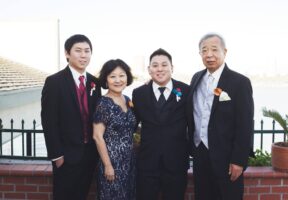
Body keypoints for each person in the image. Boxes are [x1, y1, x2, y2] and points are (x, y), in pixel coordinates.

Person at [187, 33, 254, 200]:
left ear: (225, 51)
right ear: (200, 54)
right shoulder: (196, 78)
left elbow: (245, 124)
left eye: (214, 50)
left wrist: (239, 160)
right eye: (204, 50)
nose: (209, 54)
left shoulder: (240, 82)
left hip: (227, 158)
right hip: (200, 153)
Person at [41, 34, 100, 200]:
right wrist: (57, 156)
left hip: (89, 156)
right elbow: (49, 121)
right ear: (67, 54)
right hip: (66, 157)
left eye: (87, 51)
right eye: (78, 51)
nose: (83, 55)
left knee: (82, 195)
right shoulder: (54, 82)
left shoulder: (95, 83)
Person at [132, 48, 190, 200]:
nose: (160, 69)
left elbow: (193, 122)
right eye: (155, 65)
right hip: (147, 163)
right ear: (149, 69)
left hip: (176, 162)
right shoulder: (138, 93)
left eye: (164, 65)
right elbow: (133, 124)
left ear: (172, 68)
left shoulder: (186, 90)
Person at [93, 59, 136, 200]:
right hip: (112, 164)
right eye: (112, 76)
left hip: (129, 163)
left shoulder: (128, 99)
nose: (118, 80)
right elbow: (97, 137)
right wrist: (108, 165)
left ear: (127, 77)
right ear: (106, 80)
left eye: (122, 75)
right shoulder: (103, 104)